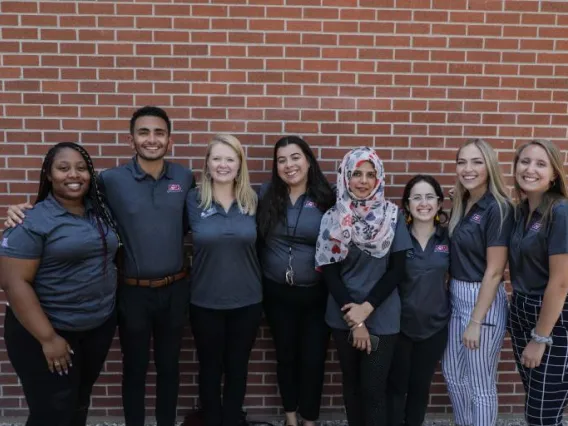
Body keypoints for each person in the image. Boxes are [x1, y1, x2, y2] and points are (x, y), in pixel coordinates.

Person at [5, 106, 194, 426]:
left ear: (170, 139)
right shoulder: (110, 180)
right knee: (134, 369)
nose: (151, 139)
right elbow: (70, 199)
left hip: (174, 288)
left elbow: (189, 223)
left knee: (169, 367)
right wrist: (20, 210)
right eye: (143, 132)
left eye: (159, 132)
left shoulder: (185, 178)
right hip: (132, 291)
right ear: (131, 138)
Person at [0, 142, 120, 426]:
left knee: (78, 404)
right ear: (49, 175)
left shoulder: (98, 211)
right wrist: (48, 339)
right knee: (52, 413)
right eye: (63, 168)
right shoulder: (31, 221)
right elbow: (13, 282)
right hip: (48, 331)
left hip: (94, 327)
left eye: (81, 168)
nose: (73, 175)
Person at [315, 147, 412, 426]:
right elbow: (329, 272)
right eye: (356, 173)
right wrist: (355, 322)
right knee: (352, 386)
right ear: (346, 176)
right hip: (343, 315)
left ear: (379, 178)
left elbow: (397, 271)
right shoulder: (333, 217)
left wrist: (365, 311)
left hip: (381, 315)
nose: (363, 181)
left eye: (370, 174)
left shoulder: (393, 217)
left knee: (373, 390)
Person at [256, 136, 335, 426]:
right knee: (285, 357)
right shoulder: (266, 194)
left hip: (315, 295)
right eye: (282, 160)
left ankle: (309, 420)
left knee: (313, 361)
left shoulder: (327, 197)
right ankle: (290, 418)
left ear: (308, 160)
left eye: (295, 157)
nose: (289, 165)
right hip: (277, 294)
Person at [187, 134, 262, 426]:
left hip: (247, 300)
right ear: (207, 163)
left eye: (230, 158)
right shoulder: (192, 200)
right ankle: (212, 419)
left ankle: (232, 419)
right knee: (209, 367)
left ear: (239, 164)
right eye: (216, 158)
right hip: (205, 301)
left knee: (237, 367)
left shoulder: (253, 200)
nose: (223, 164)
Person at [441, 138, 513, 426]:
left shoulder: (498, 208)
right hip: (456, 295)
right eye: (462, 162)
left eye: (476, 162)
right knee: (453, 374)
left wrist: (476, 321)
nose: (467, 168)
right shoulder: (464, 201)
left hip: (481, 300)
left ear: (490, 166)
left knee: (480, 384)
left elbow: (495, 272)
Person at [507, 140, 568, 426]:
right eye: (525, 161)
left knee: (541, 416)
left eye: (541, 164)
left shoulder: (560, 212)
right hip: (521, 310)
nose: (530, 169)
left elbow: (560, 282)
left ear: (554, 174)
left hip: (552, 320)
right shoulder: (521, 211)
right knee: (537, 400)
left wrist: (540, 338)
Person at [386, 175, 450, 426]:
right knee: (396, 386)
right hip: (399, 326)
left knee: (420, 388)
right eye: (417, 198)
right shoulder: (396, 237)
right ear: (407, 204)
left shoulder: (448, 238)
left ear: (439, 202)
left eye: (429, 197)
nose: (424, 203)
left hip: (434, 327)